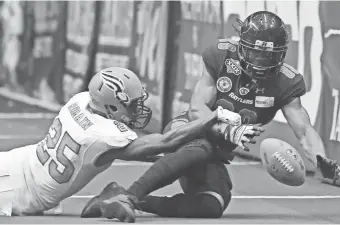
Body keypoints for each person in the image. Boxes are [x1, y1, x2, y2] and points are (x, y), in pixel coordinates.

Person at [81, 11, 340, 223]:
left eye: (269, 55)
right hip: (188, 131)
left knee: (210, 205)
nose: (261, 61)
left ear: (282, 54)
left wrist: (319, 158)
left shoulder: (286, 82)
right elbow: (197, 109)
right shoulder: (220, 55)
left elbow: (304, 130)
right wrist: (230, 129)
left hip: (217, 152)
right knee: (202, 147)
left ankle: (115, 196)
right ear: (242, 47)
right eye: (255, 53)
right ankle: (131, 196)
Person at [0, 67, 257, 216]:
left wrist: (196, 155)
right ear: (111, 105)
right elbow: (164, 143)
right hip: (20, 192)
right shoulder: (103, 135)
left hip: (18, 162)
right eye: (132, 105)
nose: (137, 110)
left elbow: (136, 152)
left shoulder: (79, 101)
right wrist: (211, 120)